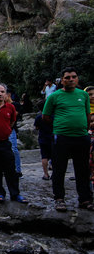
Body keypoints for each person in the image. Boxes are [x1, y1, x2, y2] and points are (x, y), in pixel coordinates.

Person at [42, 68, 92, 211]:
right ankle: (59, 198)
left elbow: (87, 114)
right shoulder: (54, 96)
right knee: (59, 169)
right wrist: (59, 125)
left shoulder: (83, 95)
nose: (71, 79)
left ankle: (85, 199)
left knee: (82, 169)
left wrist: (84, 129)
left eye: (74, 77)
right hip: (62, 137)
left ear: (77, 79)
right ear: (62, 80)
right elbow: (46, 116)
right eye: (68, 77)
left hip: (81, 136)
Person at [33, 100, 53, 180]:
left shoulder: (38, 117)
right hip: (52, 138)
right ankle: (54, 174)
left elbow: (36, 127)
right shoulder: (52, 116)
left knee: (44, 157)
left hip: (42, 138)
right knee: (54, 156)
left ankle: (46, 174)